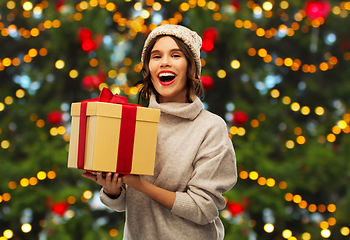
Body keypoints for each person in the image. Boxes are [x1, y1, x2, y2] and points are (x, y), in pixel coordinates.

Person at [83, 24, 237, 239]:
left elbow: (204, 208)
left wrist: (139, 184)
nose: (164, 62)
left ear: (192, 68)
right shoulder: (133, 122)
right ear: (148, 69)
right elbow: (126, 202)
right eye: (156, 56)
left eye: (175, 55)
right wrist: (113, 189)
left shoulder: (210, 127)